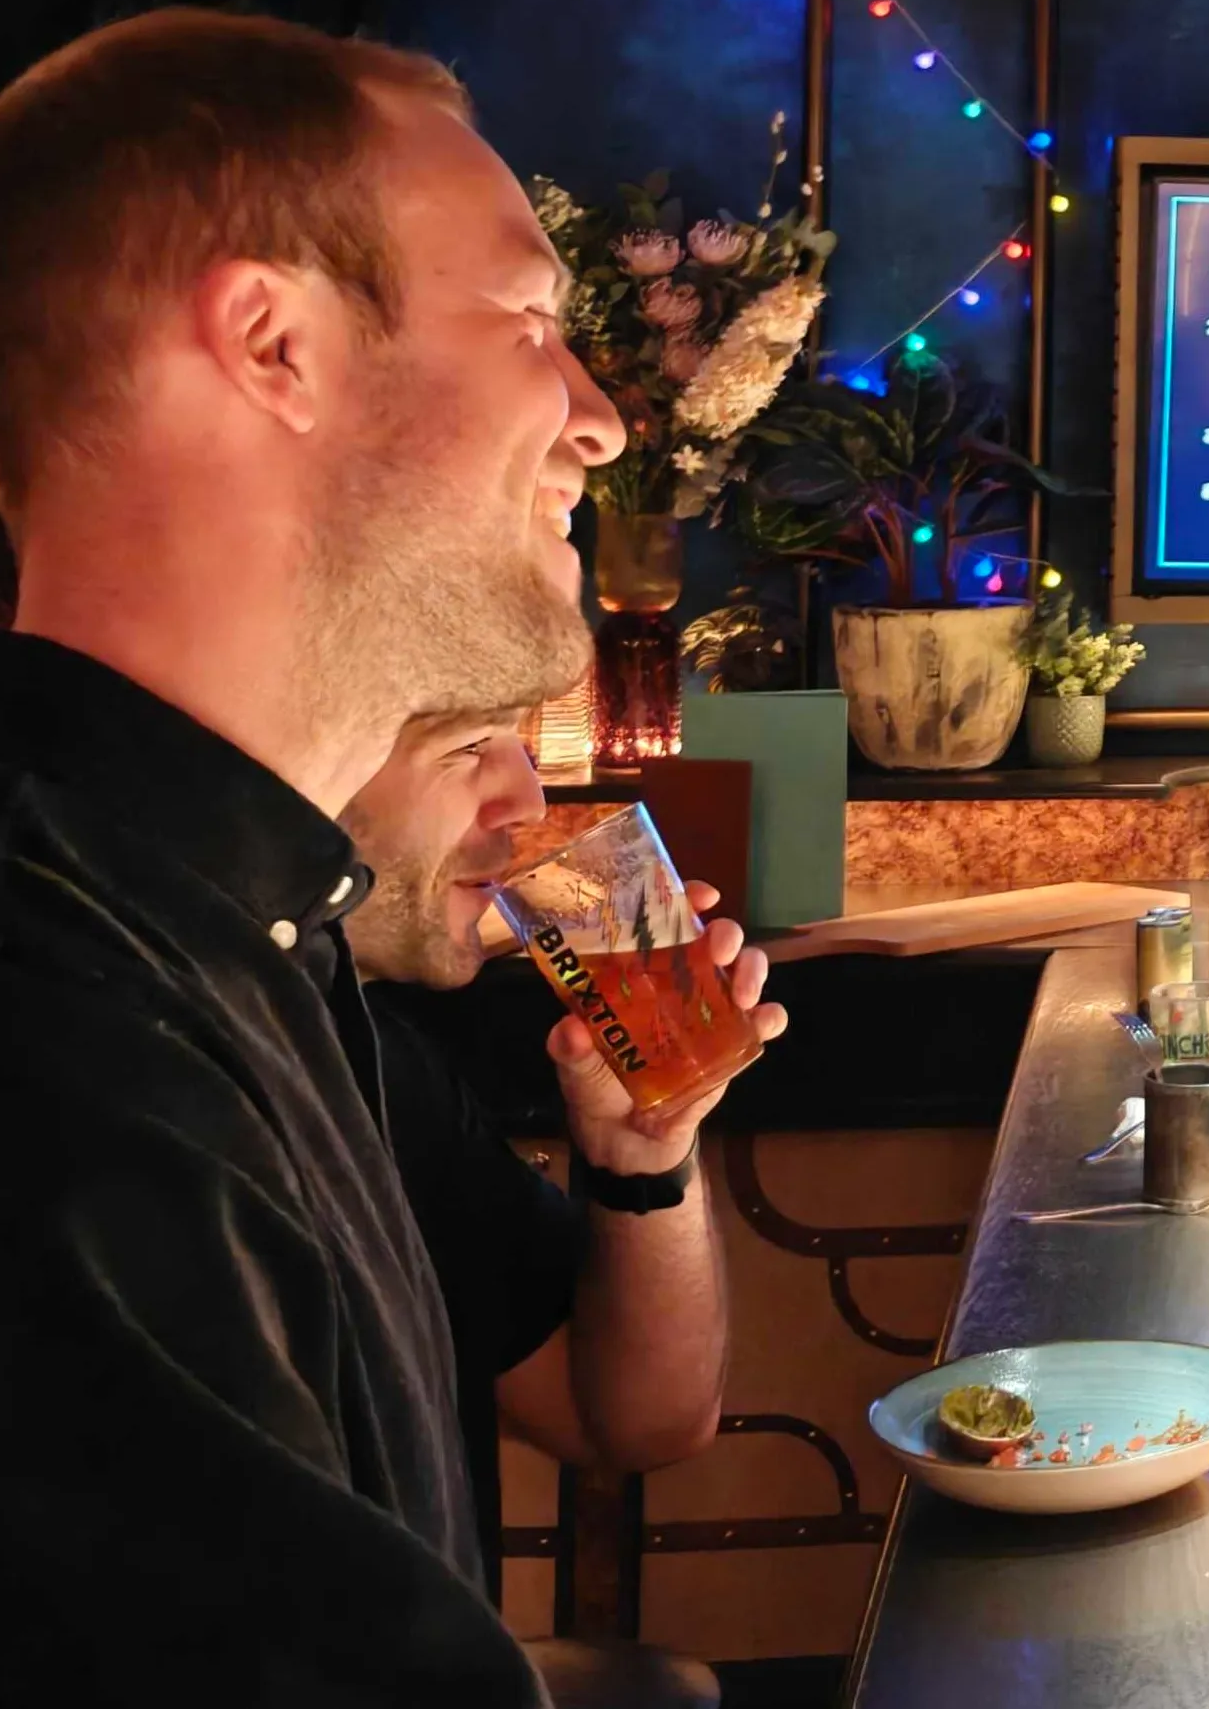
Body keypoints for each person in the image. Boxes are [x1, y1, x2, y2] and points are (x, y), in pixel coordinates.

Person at [0, 8, 623, 1705]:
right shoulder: (13, 1032)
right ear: (274, 342)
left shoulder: (232, 929)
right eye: (531, 319)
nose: (600, 419)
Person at [341, 709, 787, 1702]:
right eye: (466, 742)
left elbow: (637, 1422)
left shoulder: (380, 1066)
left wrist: (645, 1159)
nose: (529, 801)